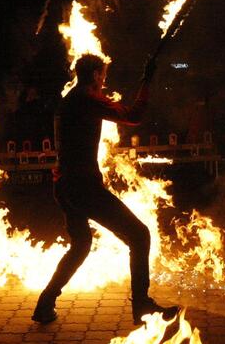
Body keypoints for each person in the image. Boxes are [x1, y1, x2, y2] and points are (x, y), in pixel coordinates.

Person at [32, 54, 178, 325]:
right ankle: (142, 306)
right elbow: (134, 116)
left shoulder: (70, 101)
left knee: (80, 246)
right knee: (139, 235)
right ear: (97, 75)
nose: (104, 80)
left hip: (65, 186)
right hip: (83, 187)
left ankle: (45, 304)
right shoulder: (87, 100)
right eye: (103, 75)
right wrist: (147, 82)